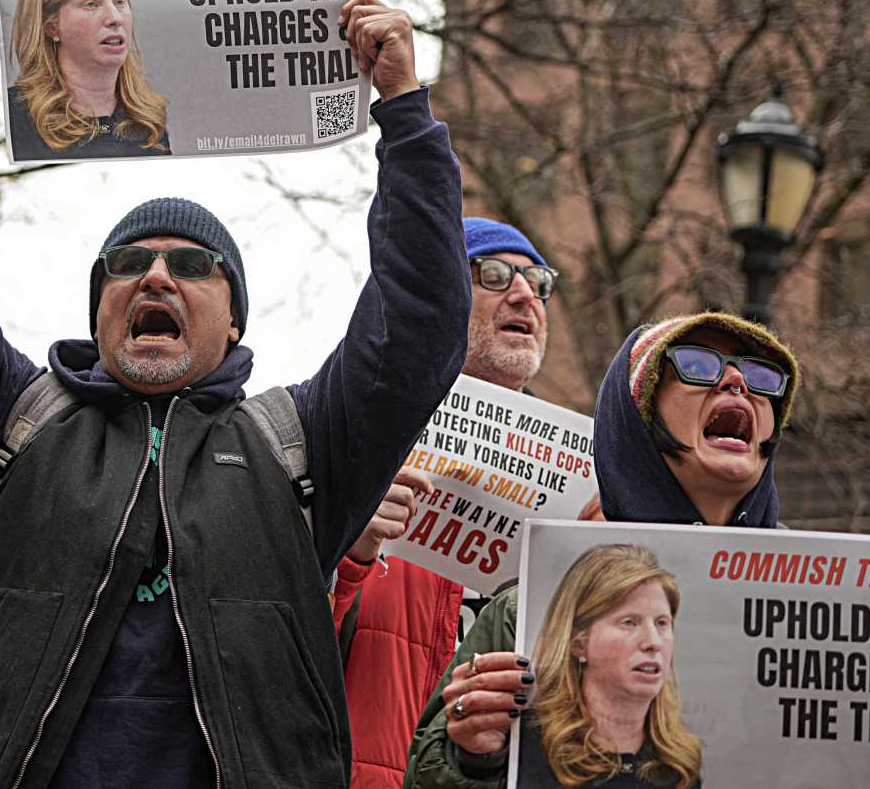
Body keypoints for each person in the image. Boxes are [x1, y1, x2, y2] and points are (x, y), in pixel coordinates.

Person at [0, 0, 469, 788]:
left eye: (193, 266)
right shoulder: (16, 422)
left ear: (233, 319)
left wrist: (404, 112)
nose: (158, 277)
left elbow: (419, 325)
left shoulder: (302, 448)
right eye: (129, 262)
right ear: (101, 311)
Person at [404, 311, 800, 788]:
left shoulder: (824, 602)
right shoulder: (531, 609)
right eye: (698, 365)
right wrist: (471, 756)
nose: (737, 382)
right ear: (639, 422)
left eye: (762, 377)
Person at [330, 218, 556, 789]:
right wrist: (348, 551)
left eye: (537, 280)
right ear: (442, 293)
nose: (525, 293)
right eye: (496, 274)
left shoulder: (579, 487)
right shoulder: (353, 442)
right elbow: (271, 649)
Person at [517, 544, 701, 789]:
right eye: (629, 622)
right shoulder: (524, 745)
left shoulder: (679, 765)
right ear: (578, 642)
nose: (653, 642)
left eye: (661, 623)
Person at [7, 0, 171, 160]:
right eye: (91, 4)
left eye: (119, 3)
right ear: (51, 26)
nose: (115, 18)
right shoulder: (14, 118)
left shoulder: (147, 121)